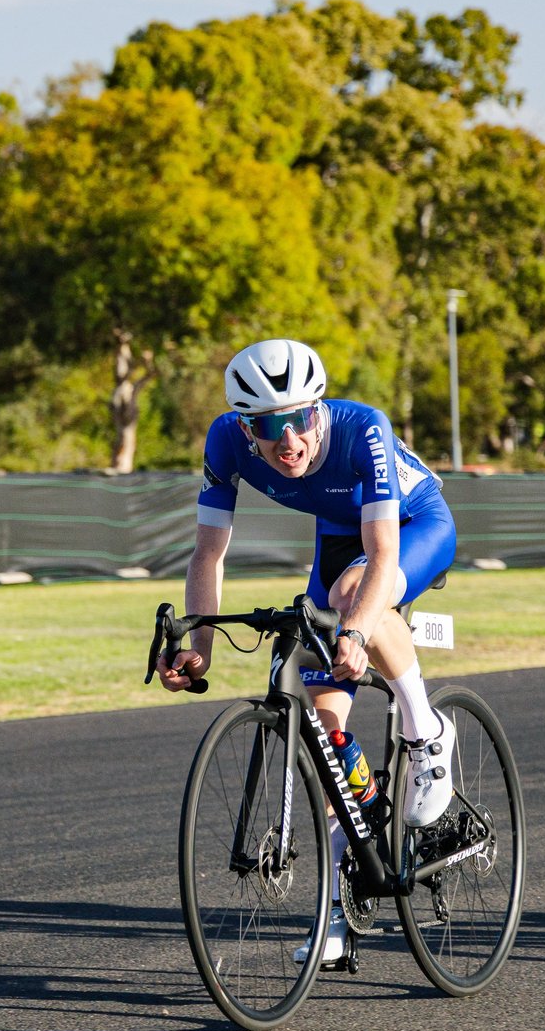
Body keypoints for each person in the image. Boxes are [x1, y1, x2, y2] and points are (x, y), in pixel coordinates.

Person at [156, 338, 459, 965]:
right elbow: (208, 554)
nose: (287, 438)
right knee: (324, 731)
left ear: (319, 411)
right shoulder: (224, 442)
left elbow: (380, 560)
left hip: (411, 525)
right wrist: (202, 646)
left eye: (301, 418)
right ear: (246, 427)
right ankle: (341, 912)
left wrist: (353, 633)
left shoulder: (362, 430)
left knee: (354, 596)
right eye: (269, 425)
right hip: (337, 535)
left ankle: (427, 731)